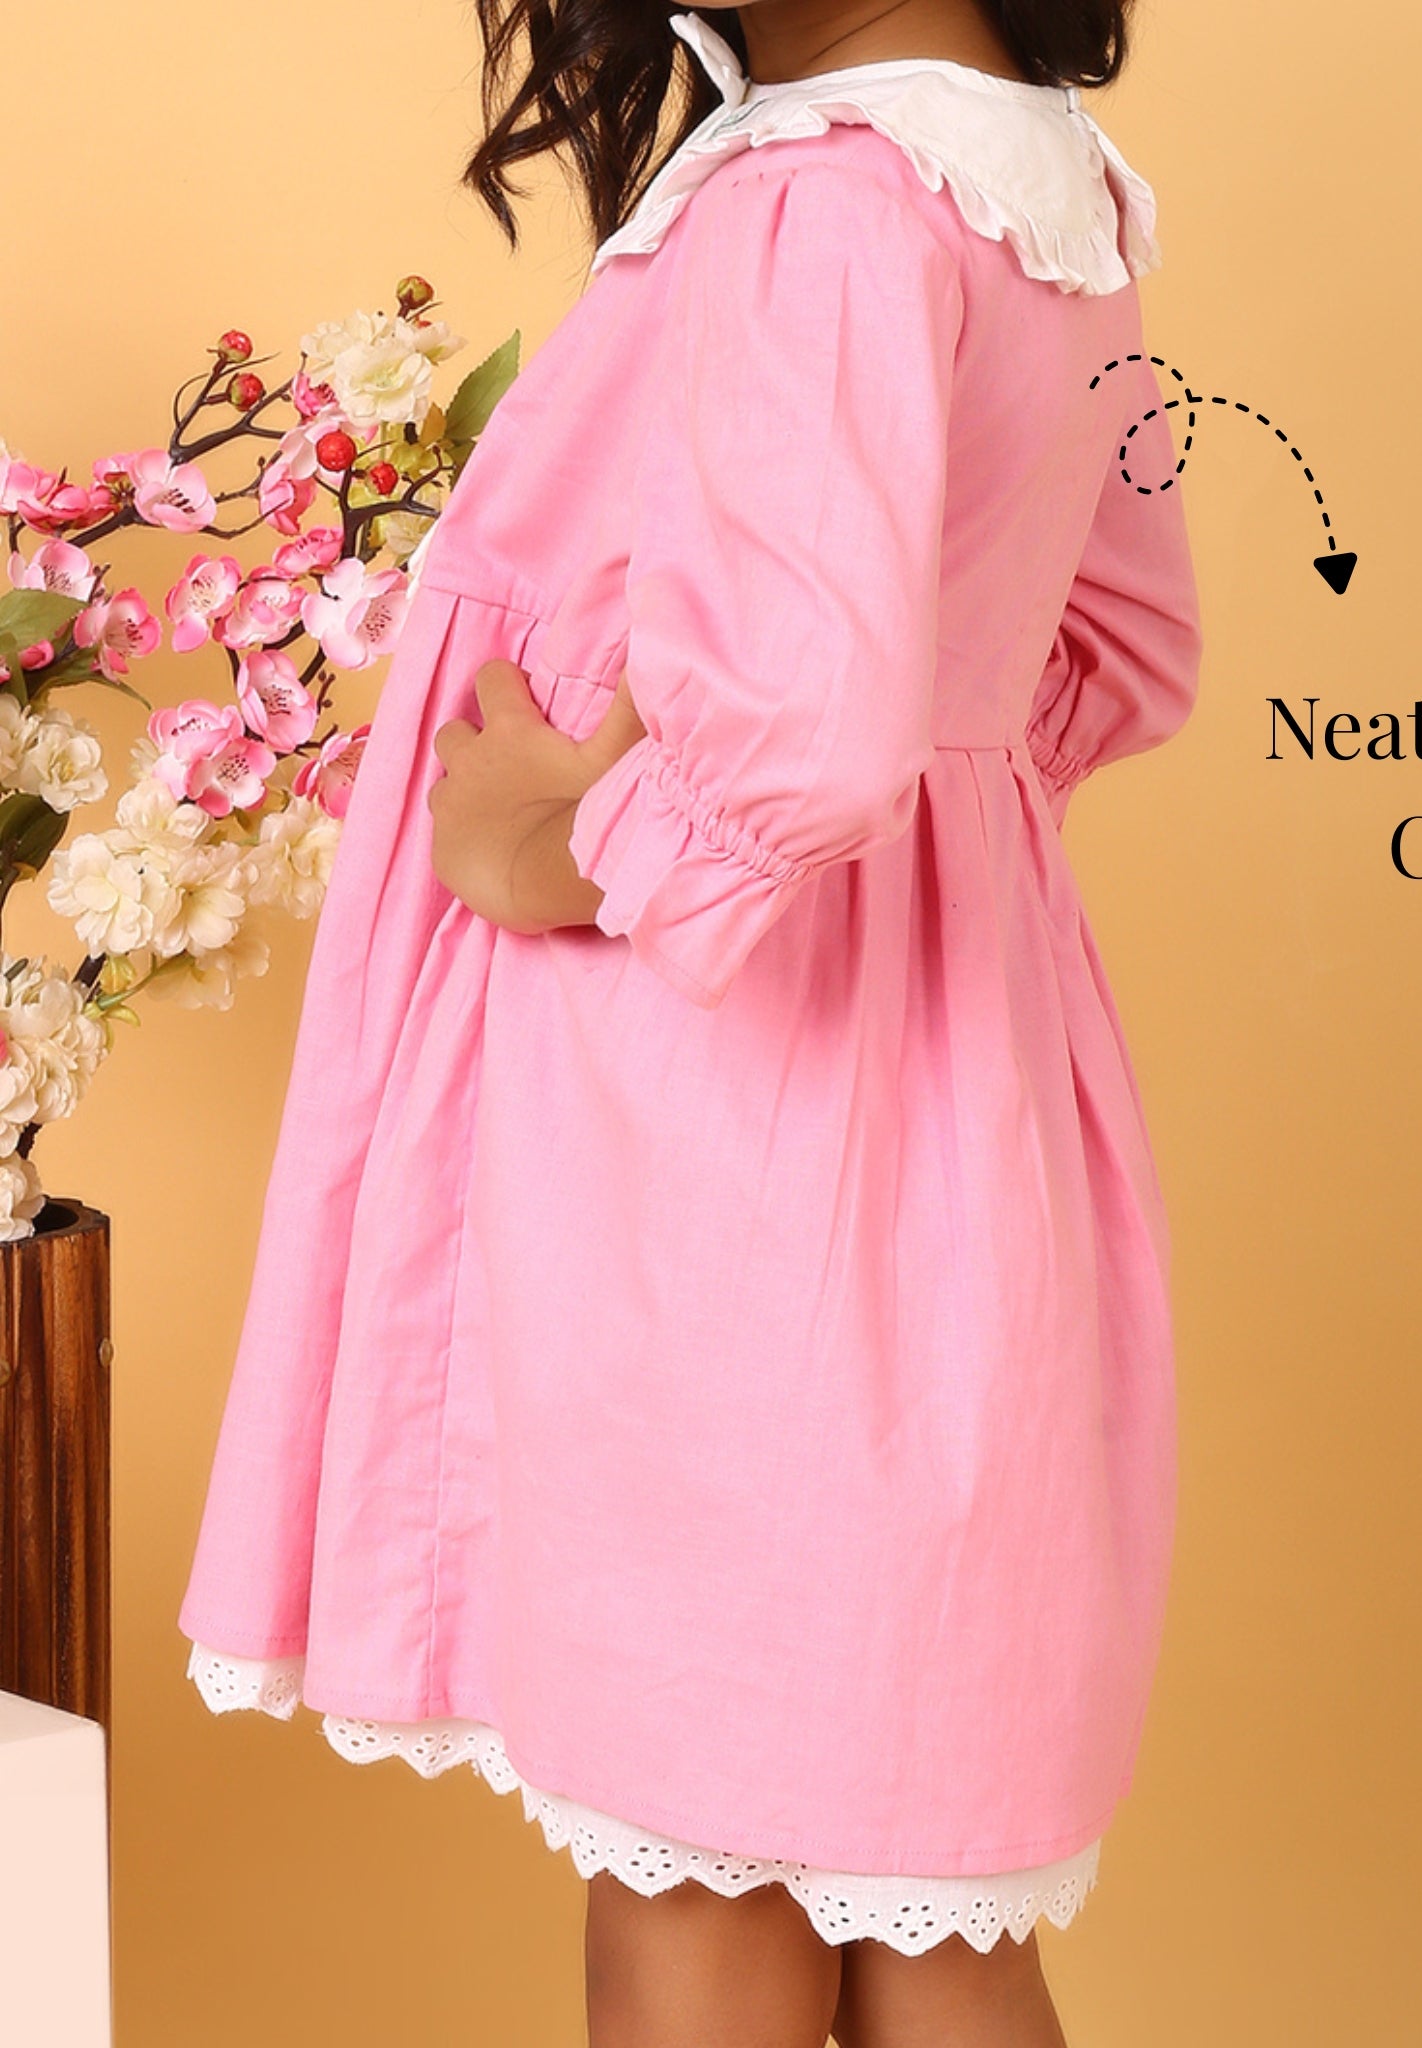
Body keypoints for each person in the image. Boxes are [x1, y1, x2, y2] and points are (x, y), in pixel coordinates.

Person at [177, 0, 1203, 2040]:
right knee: (919, 1902)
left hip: (728, 1165)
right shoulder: (1047, 197)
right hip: (944, 1111)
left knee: (701, 1874)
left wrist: (548, 841)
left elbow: (802, 746)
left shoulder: (819, 207)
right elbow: (1123, 642)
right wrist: (941, 858)